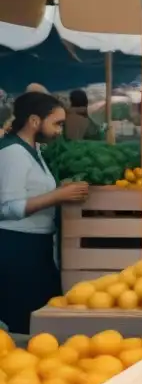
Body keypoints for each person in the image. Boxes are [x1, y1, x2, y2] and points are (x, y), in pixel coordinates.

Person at [0, 93, 89, 332]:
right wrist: (58, 196)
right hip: (17, 249)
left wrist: (60, 191)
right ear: (34, 121)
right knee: (23, 322)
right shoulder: (13, 154)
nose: (60, 130)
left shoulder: (34, 150)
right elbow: (7, 208)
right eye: (56, 123)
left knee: (41, 319)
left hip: (36, 246)